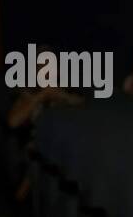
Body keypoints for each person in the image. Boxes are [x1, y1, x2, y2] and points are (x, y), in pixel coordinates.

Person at [6, 45, 84, 203]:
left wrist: (61, 96)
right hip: (34, 152)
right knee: (37, 151)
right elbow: (13, 121)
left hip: (62, 152)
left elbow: (82, 105)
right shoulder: (29, 93)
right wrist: (42, 96)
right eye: (40, 64)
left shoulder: (66, 89)